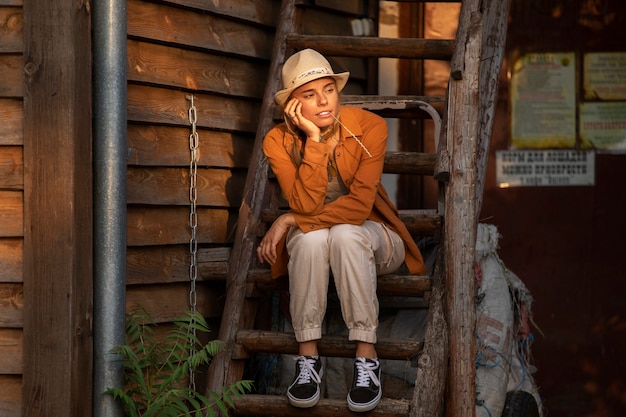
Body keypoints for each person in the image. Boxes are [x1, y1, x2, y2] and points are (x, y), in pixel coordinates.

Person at [256, 48, 426, 412]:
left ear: (337, 90)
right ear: (293, 106)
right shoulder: (278, 141)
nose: (323, 101)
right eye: (309, 94)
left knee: (345, 233)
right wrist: (314, 141)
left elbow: (359, 207)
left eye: (329, 90)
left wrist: (287, 220)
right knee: (314, 238)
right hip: (318, 244)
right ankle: (308, 362)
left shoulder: (369, 127)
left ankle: (367, 359)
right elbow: (304, 204)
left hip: (376, 239)